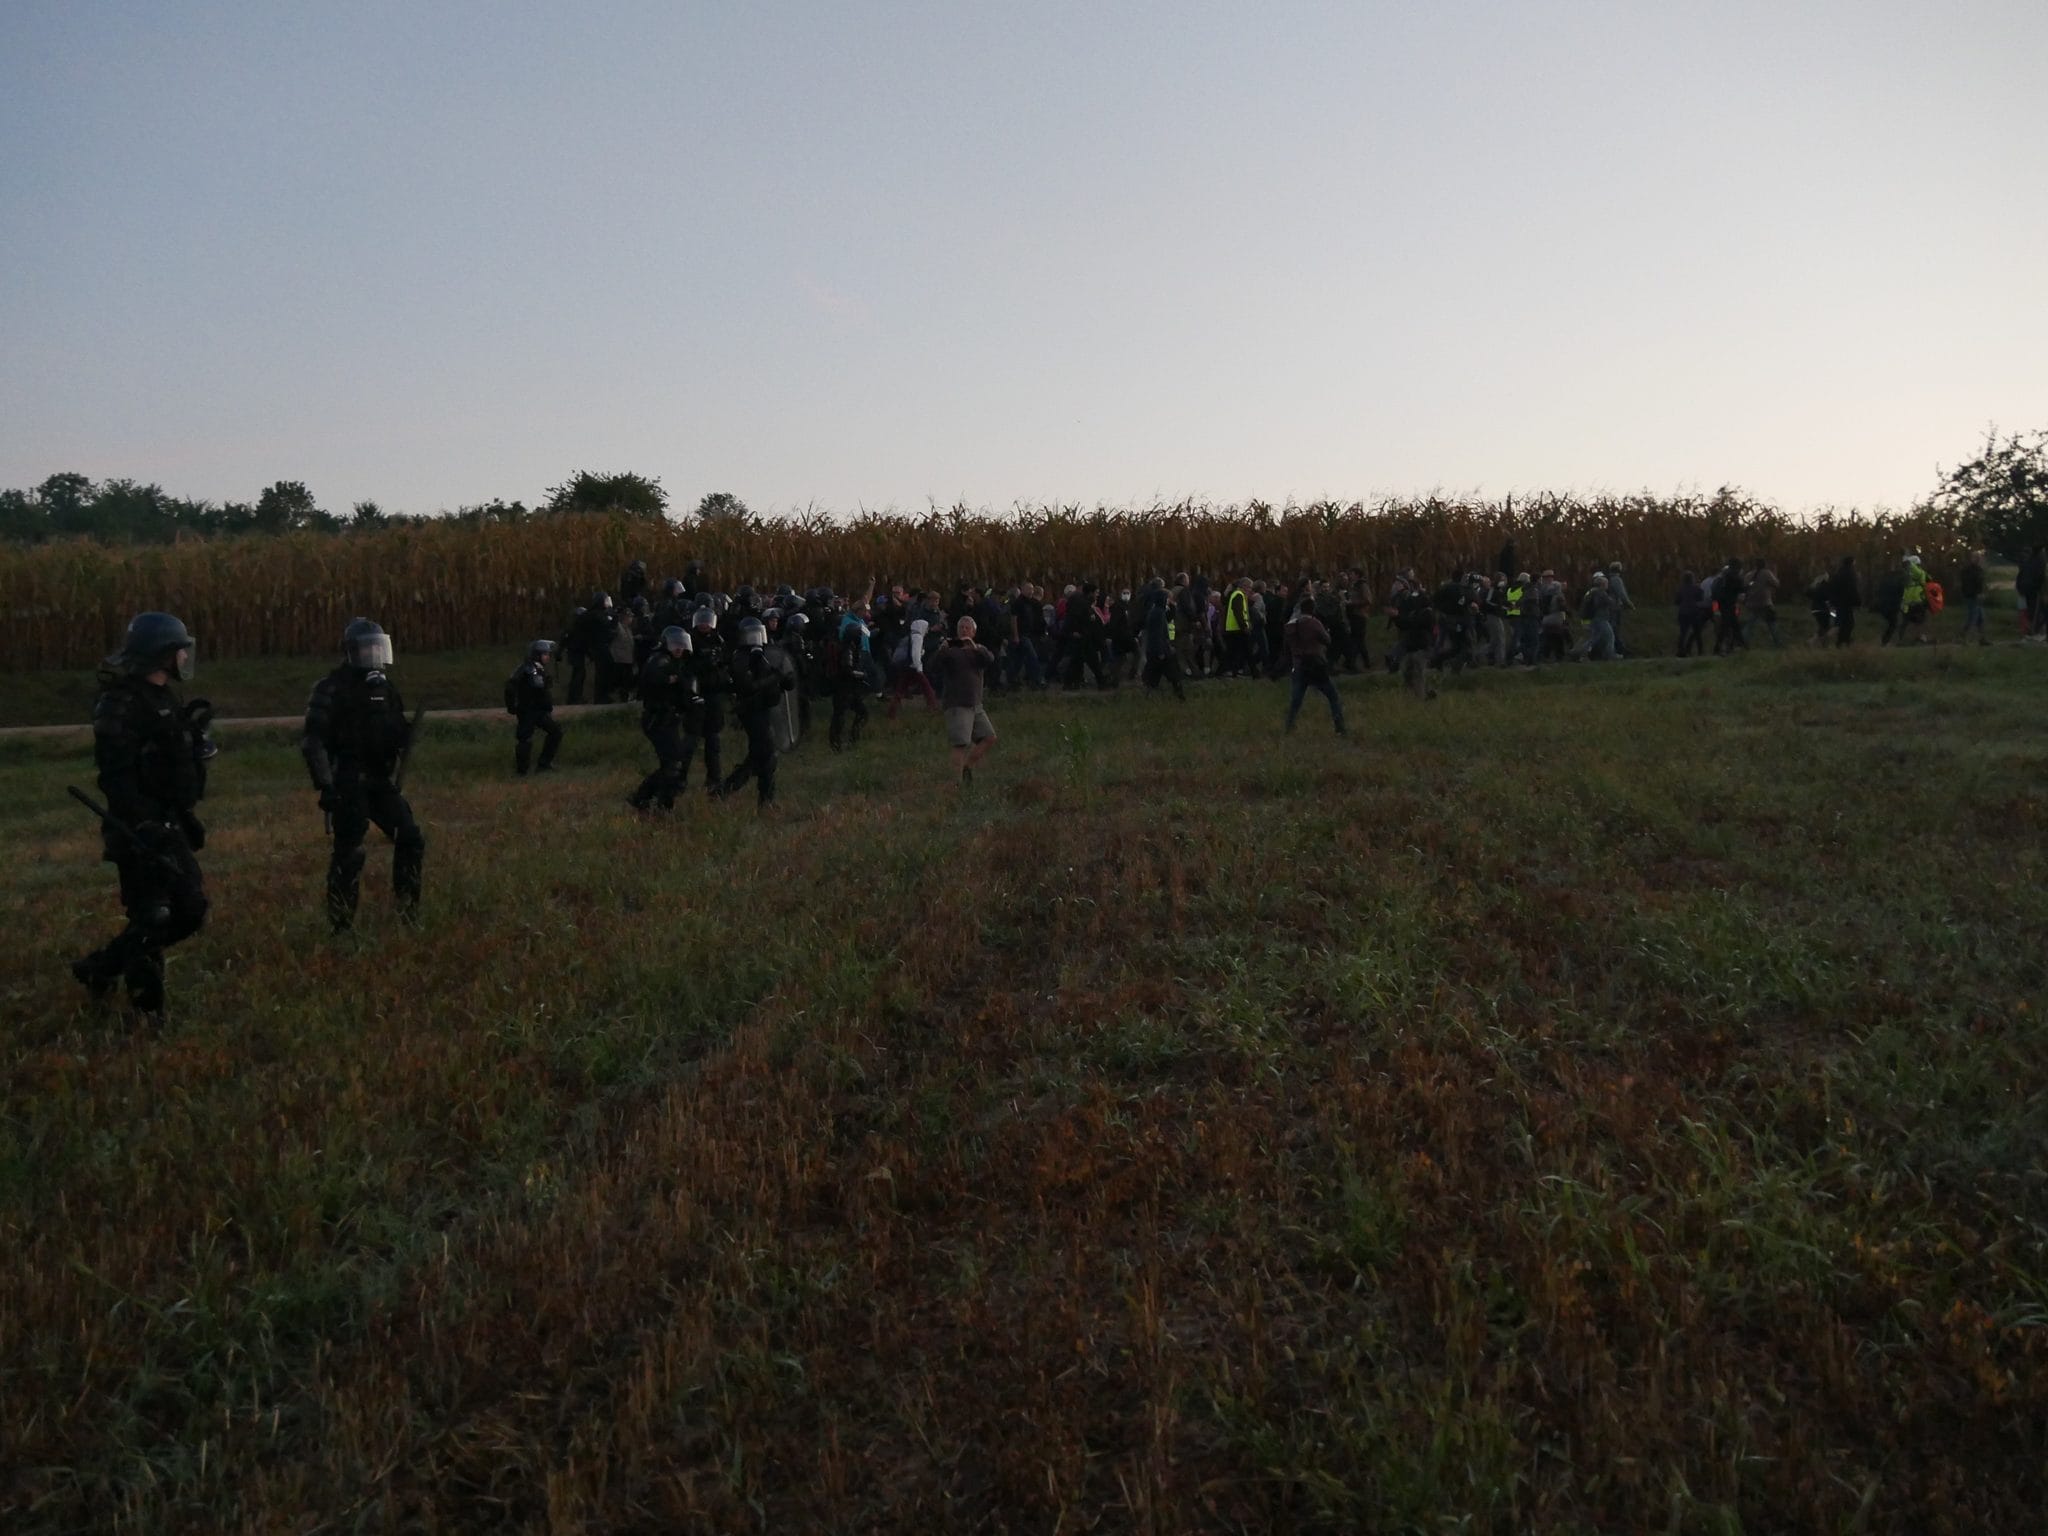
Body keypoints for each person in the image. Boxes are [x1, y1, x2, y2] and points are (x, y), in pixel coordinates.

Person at [71, 611, 211, 1018]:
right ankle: (146, 1016)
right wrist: (142, 825)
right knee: (153, 914)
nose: (184, 658)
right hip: (136, 829)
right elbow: (116, 777)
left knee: (191, 908)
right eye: (179, 651)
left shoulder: (165, 697)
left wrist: (195, 744)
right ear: (162, 654)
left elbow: (171, 759)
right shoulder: (120, 703)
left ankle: (101, 967)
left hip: (170, 821)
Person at [303, 618, 424, 933]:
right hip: (348, 782)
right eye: (366, 648)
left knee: (410, 838)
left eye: (377, 647)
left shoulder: (386, 688)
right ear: (351, 651)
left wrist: (404, 736)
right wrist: (326, 785)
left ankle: (408, 910)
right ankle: (341, 925)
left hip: (380, 782)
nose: (373, 654)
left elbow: (395, 728)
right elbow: (313, 741)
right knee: (350, 852)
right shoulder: (331, 688)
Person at [716, 616, 794, 807]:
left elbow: (784, 680)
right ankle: (736, 791)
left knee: (762, 755)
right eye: (751, 635)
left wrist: (785, 676)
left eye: (758, 634)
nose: (755, 638)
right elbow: (748, 685)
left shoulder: (768, 653)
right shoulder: (740, 657)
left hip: (767, 708)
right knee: (765, 754)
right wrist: (773, 677)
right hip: (751, 709)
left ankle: (753, 796)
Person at [627, 625, 695, 812]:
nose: (678, 648)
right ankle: (647, 798)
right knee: (672, 764)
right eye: (674, 644)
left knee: (673, 763)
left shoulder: (678, 663)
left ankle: (654, 800)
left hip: (669, 718)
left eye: (681, 644)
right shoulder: (659, 660)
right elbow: (654, 679)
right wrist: (671, 680)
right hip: (657, 719)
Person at [929, 614, 999, 785]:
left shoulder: (978, 650)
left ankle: (968, 767)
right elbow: (932, 667)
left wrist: (974, 647)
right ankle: (956, 783)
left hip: (976, 704)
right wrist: (942, 650)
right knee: (960, 744)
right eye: (961, 628)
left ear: (974, 632)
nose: (964, 631)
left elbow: (990, 660)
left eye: (968, 628)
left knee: (989, 737)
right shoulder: (951, 651)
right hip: (957, 704)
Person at [1284, 595, 1346, 733]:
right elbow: (1327, 640)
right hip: (1315, 664)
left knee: (1296, 699)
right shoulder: (1314, 623)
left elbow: (1287, 646)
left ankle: (1289, 725)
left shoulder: (1291, 626)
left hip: (1298, 664)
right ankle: (1339, 726)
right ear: (1313, 610)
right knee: (1333, 696)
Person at [506, 638, 563, 776]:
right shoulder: (529, 668)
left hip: (539, 711)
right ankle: (522, 772)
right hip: (528, 710)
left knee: (555, 732)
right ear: (537, 654)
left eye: (548, 654)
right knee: (525, 738)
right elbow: (512, 687)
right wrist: (512, 706)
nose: (548, 657)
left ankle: (544, 764)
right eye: (545, 654)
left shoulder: (537, 668)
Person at [829, 602, 872, 750]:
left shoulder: (850, 647)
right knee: (841, 716)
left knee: (858, 713)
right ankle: (837, 743)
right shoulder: (848, 649)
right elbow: (847, 671)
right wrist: (862, 675)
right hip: (845, 689)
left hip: (848, 689)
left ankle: (851, 739)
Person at [1139, 577, 1186, 700]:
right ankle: (1180, 696)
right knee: (1173, 674)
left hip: (1156, 650)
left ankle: (1148, 695)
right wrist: (1161, 651)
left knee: (1154, 676)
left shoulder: (1156, 611)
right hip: (1161, 650)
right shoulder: (1158, 614)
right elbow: (1158, 634)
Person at [1743, 559, 1782, 648]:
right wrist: (1775, 573)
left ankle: (1743, 641)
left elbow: (1745, 587)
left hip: (1751, 602)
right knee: (1772, 623)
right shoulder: (1766, 573)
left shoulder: (1748, 575)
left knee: (1750, 624)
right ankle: (1778, 642)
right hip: (1765, 603)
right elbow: (1777, 584)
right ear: (1765, 565)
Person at [1829, 556, 1861, 646]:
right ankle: (1826, 639)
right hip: (1847, 602)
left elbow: (1833, 587)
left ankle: (1843, 641)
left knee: (1842, 622)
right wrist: (1857, 601)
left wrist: (1832, 601)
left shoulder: (1839, 573)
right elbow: (1852, 589)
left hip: (1838, 602)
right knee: (1848, 623)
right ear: (1852, 563)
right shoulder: (1851, 574)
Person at [1958, 550, 1989, 645]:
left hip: (1976, 595)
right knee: (1972, 617)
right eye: (1975, 557)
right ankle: (1964, 636)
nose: (1977, 559)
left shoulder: (1978, 570)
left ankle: (1982, 638)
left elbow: (1981, 583)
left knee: (1980, 618)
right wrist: (1977, 593)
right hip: (1972, 596)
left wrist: (1982, 592)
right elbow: (1969, 584)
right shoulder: (1968, 570)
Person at [1676, 570, 1708, 656]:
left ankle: (1680, 651)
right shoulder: (1697, 589)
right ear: (1692, 579)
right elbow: (1701, 599)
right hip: (1694, 612)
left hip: (1683, 612)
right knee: (1697, 633)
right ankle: (1700, 651)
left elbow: (1677, 601)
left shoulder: (1680, 589)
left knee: (1683, 633)